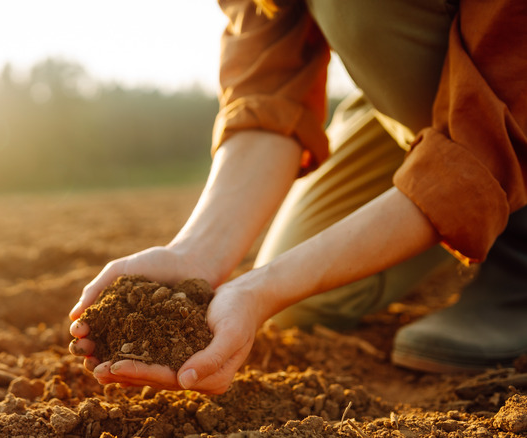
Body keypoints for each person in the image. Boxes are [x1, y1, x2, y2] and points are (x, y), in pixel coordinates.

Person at [68, 0, 527, 394]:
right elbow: (269, 89)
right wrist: (199, 255)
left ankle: (517, 252)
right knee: (301, 296)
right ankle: (441, 194)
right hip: (436, 102)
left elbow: (496, 125)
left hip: (507, 84)